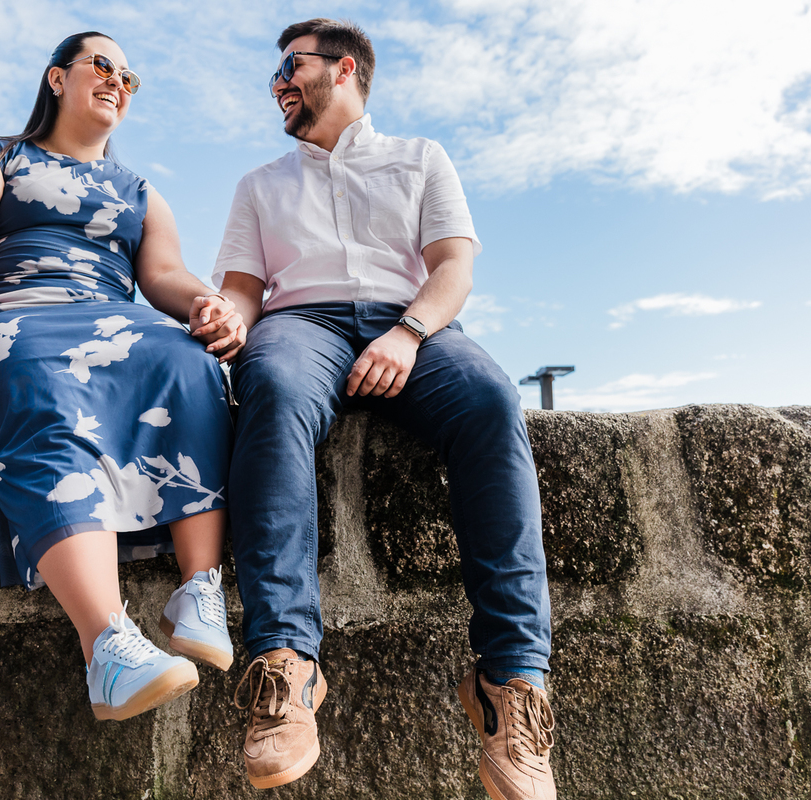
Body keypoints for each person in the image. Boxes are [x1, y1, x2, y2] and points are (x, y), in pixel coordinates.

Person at [215, 18, 557, 798]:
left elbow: (454, 268)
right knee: (267, 388)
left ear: (343, 72)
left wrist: (406, 335)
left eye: (290, 68)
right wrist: (228, 319)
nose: (277, 84)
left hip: (417, 322)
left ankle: (513, 692)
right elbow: (241, 290)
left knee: (492, 402)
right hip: (302, 323)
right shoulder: (259, 186)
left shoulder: (422, 159)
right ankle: (286, 669)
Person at [0, 31, 247, 722]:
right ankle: (107, 647)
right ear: (56, 79)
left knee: (193, 362)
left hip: (114, 317)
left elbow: (161, 276)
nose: (118, 82)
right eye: (103, 65)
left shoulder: (139, 191)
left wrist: (206, 304)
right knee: (43, 382)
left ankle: (199, 588)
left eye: (130, 77)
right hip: (19, 318)